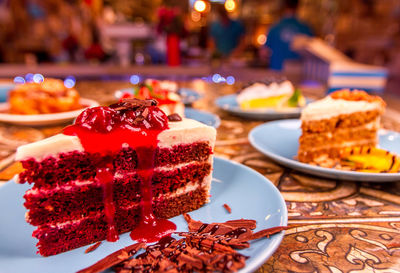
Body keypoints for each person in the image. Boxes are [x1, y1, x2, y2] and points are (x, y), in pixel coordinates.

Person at [265, 0, 313, 70]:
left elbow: (264, 52)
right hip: (299, 75)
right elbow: (311, 55)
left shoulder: (275, 27)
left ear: (284, 6)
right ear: (298, 6)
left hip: (276, 73)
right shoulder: (306, 28)